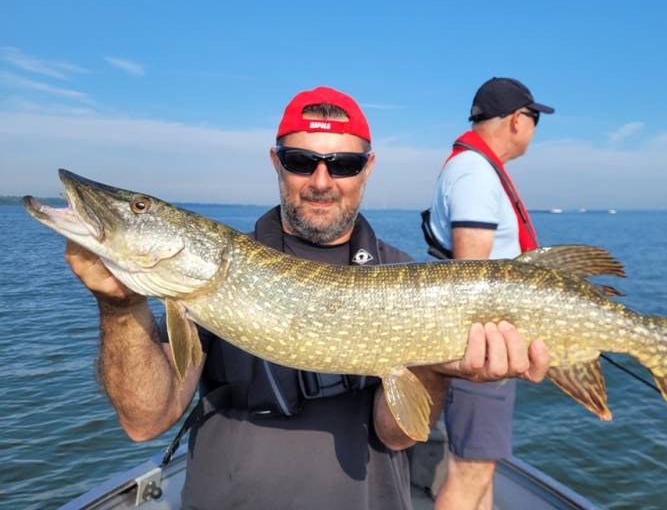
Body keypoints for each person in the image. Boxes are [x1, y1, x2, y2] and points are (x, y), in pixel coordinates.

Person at [64, 85, 551, 510]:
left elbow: (398, 433)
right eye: (301, 161)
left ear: (368, 168)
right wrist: (121, 306)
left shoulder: (403, 272)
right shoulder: (205, 279)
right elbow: (145, 421)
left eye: (343, 164)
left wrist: (437, 365)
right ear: (277, 162)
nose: (321, 181)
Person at [424, 77, 554, 510]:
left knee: (482, 467)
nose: (534, 129)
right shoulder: (475, 173)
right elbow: (471, 279)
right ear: (518, 120)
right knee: (470, 472)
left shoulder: (471, 168)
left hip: (490, 338)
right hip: (482, 343)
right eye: (535, 119)